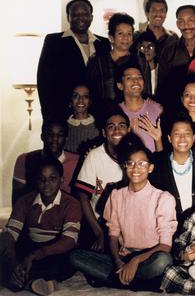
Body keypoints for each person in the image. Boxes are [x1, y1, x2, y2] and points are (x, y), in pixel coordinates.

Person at [71, 136, 177, 291]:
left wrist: (135, 262)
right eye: (130, 163)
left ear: (150, 168)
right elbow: (113, 236)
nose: (135, 168)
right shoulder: (116, 195)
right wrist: (119, 262)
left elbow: (165, 246)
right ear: (124, 167)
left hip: (149, 258)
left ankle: (115, 279)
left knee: (163, 261)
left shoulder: (163, 198)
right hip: (123, 256)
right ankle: (136, 281)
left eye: (142, 164)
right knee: (75, 256)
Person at [0, 156, 81, 295]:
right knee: (4, 252)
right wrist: (14, 262)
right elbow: (9, 234)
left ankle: (25, 280)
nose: (46, 183)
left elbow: (69, 240)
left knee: (67, 261)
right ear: (36, 180)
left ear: (62, 180)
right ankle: (31, 281)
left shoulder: (71, 204)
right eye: (42, 179)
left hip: (53, 250)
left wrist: (34, 256)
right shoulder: (25, 201)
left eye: (52, 178)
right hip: (30, 245)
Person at [37, 0, 111, 121]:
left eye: (84, 14)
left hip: (98, 114)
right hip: (63, 114)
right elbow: (44, 81)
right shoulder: (54, 41)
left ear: (91, 17)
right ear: (68, 17)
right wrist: (49, 117)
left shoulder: (103, 43)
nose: (80, 18)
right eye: (75, 14)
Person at [74, 109, 131, 251]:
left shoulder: (136, 154)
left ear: (129, 130)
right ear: (104, 133)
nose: (117, 130)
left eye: (122, 126)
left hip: (129, 222)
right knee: (78, 257)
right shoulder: (94, 155)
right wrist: (99, 233)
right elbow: (83, 197)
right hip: (99, 222)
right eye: (111, 127)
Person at [150, 113, 195, 217]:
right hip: (170, 223)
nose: (182, 138)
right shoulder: (159, 164)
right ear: (169, 138)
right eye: (177, 134)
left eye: (187, 134)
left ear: (193, 138)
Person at [13, 120, 79, 204]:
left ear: (66, 138)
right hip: (34, 213)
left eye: (60, 135)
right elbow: (17, 198)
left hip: (67, 213)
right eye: (50, 134)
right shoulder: (25, 159)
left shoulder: (77, 162)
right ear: (42, 136)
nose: (55, 139)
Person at [157, 4, 195, 106]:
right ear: (177, 24)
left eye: (190, 20)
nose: (186, 25)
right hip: (176, 107)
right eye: (181, 21)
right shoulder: (169, 51)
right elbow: (162, 86)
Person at [86, 12, 135, 108]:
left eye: (129, 34)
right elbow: (90, 91)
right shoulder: (97, 61)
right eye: (120, 33)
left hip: (134, 115)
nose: (125, 38)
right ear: (111, 37)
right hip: (104, 114)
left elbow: (146, 92)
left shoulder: (140, 61)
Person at [116, 61, 162, 152]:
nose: (136, 81)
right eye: (129, 78)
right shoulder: (116, 112)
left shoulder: (158, 109)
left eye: (139, 77)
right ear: (120, 85)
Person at [64, 84, 100, 154]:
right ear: (70, 101)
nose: (80, 100)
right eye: (75, 96)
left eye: (86, 96)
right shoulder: (62, 127)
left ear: (90, 101)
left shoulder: (100, 126)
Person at [135, 32, 159, 99]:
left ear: (156, 49)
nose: (146, 50)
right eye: (142, 47)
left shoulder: (162, 69)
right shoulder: (135, 71)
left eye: (150, 47)